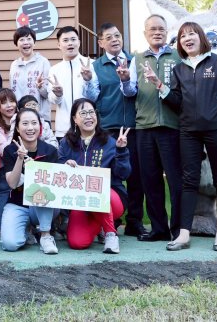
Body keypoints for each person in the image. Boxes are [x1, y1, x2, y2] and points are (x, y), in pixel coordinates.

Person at [148, 21, 217, 252]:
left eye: (191, 34)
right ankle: (184, 233)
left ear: (201, 37)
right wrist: (159, 85)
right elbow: (178, 102)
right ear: (180, 43)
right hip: (189, 131)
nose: (187, 38)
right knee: (188, 181)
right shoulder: (180, 69)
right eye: (182, 36)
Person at [120, 14, 183, 242]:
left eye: (161, 29)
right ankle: (159, 229)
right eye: (152, 29)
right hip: (144, 127)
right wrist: (126, 80)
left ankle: (178, 229)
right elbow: (130, 92)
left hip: (171, 125)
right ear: (145, 33)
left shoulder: (177, 56)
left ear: (166, 32)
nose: (157, 32)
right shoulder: (136, 59)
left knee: (176, 181)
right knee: (150, 180)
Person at [58, 99, 130, 254]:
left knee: (96, 187)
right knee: (77, 242)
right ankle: (101, 226)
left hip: (111, 198)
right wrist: (65, 166)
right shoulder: (66, 143)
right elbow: (58, 174)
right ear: (74, 119)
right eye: (83, 113)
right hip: (81, 202)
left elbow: (123, 174)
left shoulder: (110, 142)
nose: (88, 116)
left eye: (91, 112)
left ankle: (111, 234)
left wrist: (121, 151)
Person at [92, 22, 144, 238]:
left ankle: (135, 222)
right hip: (107, 128)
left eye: (117, 35)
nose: (114, 39)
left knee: (135, 176)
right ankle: (110, 221)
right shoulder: (95, 66)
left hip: (133, 126)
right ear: (100, 42)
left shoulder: (136, 62)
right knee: (107, 176)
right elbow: (92, 96)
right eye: (109, 37)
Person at [0, 108, 60, 254]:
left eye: (34, 123)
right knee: (10, 244)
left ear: (40, 127)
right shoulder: (10, 151)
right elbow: (12, 184)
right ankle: (27, 231)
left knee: (42, 191)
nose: (30, 127)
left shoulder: (50, 151)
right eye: (25, 123)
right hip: (18, 204)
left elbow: (54, 186)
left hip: (45, 205)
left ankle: (45, 235)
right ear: (18, 129)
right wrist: (20, 159)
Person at [48, 26, 98, 139]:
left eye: (73, 39)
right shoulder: (54, 70)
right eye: (65, 40)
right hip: (63, 130)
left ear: (79, 43)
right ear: (59, 45)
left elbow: (94, 97)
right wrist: (58, 94)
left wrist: (88, 80)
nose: (70, 43)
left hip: (88, 129)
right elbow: (51, 99)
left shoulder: (92, 65)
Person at [0, 88, 18, 237]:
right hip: (2, 176)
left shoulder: (24, 121)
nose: (9, 105)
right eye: (4, 103)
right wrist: (14, 126)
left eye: (12, 101)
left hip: (22, 174)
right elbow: (6, 151)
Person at [8, 26, 52, 128]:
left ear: (34, 42)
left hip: (40, 118)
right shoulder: (14, 65)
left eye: (29, 39)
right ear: (16, 44)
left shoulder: (43, 62)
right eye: (21, 39)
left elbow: (48, 94)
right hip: (20, 118)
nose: (26, 42)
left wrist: (40, 87)